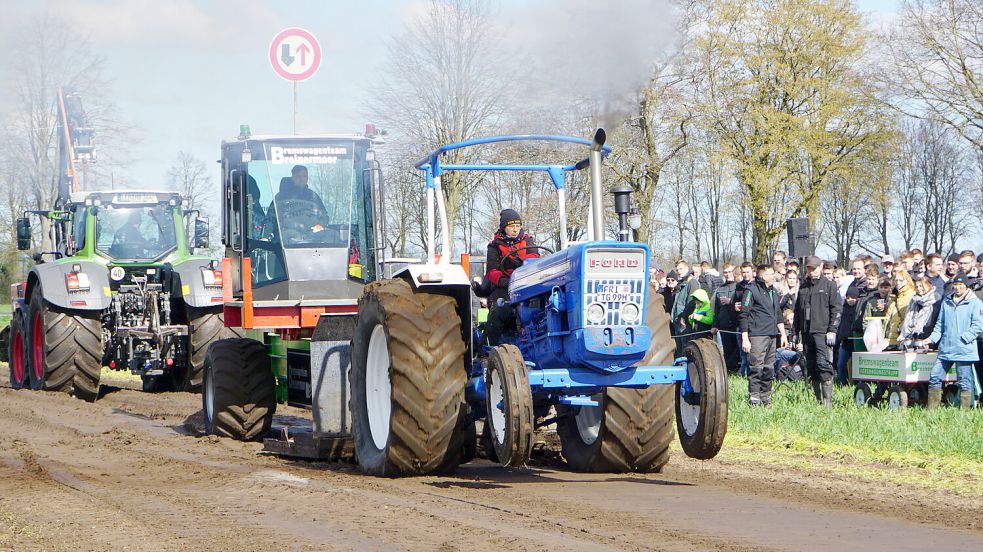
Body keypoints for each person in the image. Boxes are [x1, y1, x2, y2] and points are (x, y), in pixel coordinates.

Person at [919, 274, 983, 409]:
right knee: (935, 377)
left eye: (961, 285)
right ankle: (932, 411)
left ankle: (964, 411)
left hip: (964, 349)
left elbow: (978, 325)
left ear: (966, 286)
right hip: (946, 348)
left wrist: (964, 338)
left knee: (964, 381)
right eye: (956, 285)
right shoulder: (946, 301)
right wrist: (931, 339)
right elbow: (940, 324)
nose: (958, 288)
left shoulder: (975, 303)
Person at [482, 209, 540, 345]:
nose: (515, 230)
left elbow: (534, 258)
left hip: (526, 283)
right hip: (505, 286)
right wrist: (507, 281)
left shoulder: (528, 240)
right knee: (499, 310)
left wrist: (523, 264)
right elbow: (492, 271)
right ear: (504, 227)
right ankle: (485, 349)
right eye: (511, 226)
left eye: (517, 226)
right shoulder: (494, 246)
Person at [793, 256, 841, 406]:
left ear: (820, 267)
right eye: (808, 268)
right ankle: (818, 401)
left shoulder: (829, 286)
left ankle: (828, 403)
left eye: (813, 268)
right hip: (807, 333)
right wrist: (795, 333)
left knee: (824, 365)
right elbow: (797, 311)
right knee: (811, 366)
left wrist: (832, 330)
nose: (811, 271)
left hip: (822, 333)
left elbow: (837, 309)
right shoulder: (803, 287)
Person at [740, 264, 786, 406]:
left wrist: (783, 334)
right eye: (771, 274)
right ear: (763, 276)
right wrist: (745, 338)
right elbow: (743, 315)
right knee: (757, 368)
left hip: (772, 335)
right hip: (757, 335)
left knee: (768, 368)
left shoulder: (773, 292)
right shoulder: (751, 291)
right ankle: (754, 398)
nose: (774, 276)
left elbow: (778, 315)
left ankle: (766, 397)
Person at [712, 263, 741, 373]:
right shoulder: (720, 289)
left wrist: (730, 302)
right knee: (727, 349)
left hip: (735, 323)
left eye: (729, 271)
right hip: (724, 324)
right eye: (725, 272)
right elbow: (716, 309)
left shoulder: (738, 287)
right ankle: (728, 371)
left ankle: (736, 368)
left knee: (737, 349)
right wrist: (715, 325)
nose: (727, 274)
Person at [898, 277, 941, 349]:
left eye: (921, 286)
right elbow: (908, 321)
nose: (918, 288)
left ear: (929, 285)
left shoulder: (936, 301)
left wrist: (931, 340)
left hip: (929, 340)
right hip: (914, 340)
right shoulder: (914, 301)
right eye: (917, 286)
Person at [834, 287, 862, 385]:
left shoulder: (859, 309)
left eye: (853, 298)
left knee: (857, 365)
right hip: (845, 341)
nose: (850, 300)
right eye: (848, 297)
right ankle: (843, 383)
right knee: (841, 364)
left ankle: (859, 384)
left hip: (856, 340)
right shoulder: (843, 308)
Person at [884, 270, 916, 346]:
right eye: (896, 280)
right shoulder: (896, 294)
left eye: (901, 280)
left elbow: (908, 317)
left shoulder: (910, 295)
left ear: (907, 281)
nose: (898, 282)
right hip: (893, 336)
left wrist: (899, 328)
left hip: (902, 337)